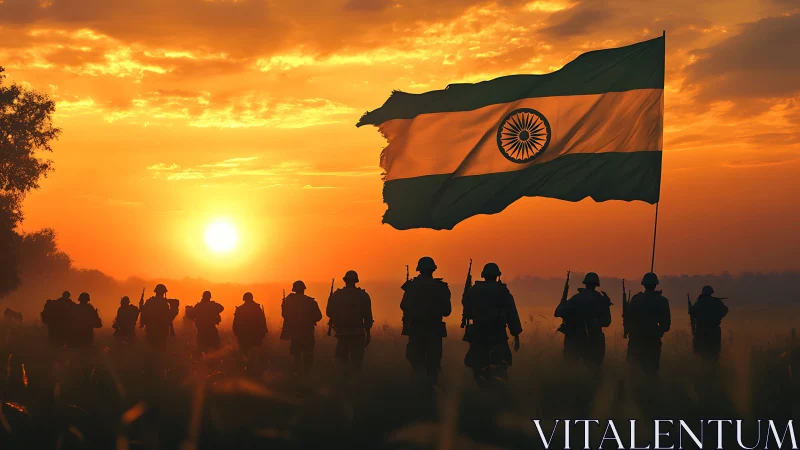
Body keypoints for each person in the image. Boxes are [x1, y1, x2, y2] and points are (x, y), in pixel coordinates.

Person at [462, 263, 522, 386]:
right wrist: (516, 333)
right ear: (497, 276)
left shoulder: (473, 291)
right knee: (500, 367)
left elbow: (467, 311)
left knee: (478, 368)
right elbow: (512, 314)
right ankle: (498, 395)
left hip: (479, 335)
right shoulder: (503, 292)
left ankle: (483, 393)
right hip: (497, 335)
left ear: (484, 276)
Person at [400, 256, 451, 385]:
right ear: (433, 269)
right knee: (433, 367)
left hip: (416, 329)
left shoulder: (411, 286)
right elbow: (447, 311)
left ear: (419, 270)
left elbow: (403, 306)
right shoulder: (440, 287)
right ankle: (431, 392)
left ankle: (418, 393)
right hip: (433, 331)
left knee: (417, 365)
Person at [554, 272, 612, 366]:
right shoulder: (600, 299)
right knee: (594, 372)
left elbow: (558, 312)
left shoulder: (576, 298)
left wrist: (563, 304)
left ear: (585, 283)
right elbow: (607, 322)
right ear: (596, 285)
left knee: (569, 370)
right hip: (593, 340)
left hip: (574, 339)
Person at [326, 270, 373, 372]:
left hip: (342, 334)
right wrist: (368, 333)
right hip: (358, 333)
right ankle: (355, 385)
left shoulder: (337, 295)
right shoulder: (363, 295)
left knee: (342, 363)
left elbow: (329, 312)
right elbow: (368, 317)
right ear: (356, 281)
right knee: (357, 363)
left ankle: (344, 384)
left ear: (345, 281)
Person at [626, 272, 671, 373]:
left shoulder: (636, 299)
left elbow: (628, 319)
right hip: (652, 340)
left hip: (636, 339)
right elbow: (666, 325)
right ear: (655, 285)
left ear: (644, 284)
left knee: (634, 371)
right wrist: (657, 331)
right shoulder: (662, 300)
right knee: (651, 372)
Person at [280, 281, 323, 374]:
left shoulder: (289, 301)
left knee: (296, 356)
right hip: (307, 333)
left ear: (294, 290)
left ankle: (298, 375)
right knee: (308, 354)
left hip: (294, 333)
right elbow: (319, 316)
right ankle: (306, 375)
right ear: (304, 289)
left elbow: (284, 315)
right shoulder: (310, 302)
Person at [690, 285, 729, 362]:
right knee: (715, 352)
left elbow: (692, 313)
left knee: (701, 352)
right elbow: (725, 310)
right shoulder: (716, 301)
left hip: (701, 330)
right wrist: (718, 317)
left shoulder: (699, 302)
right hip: (714, 329)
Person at [139, 284, 180, 350]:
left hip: (150, 331)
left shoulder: (150, 302)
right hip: (161, 332)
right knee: (160, 352)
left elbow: (143, 312)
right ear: (164, 293)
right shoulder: (164, 303)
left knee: (150, 351)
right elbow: (170, 316)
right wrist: (174, 306)